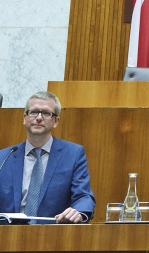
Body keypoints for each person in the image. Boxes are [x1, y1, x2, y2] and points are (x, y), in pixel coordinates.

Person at [0, 91, 96, 223]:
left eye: (46, 113)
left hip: (52, 236)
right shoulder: (4, 157)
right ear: (24, 118)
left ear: (56, 121)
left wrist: (78, 211)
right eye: (33, 112)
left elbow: (84, 196)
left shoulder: (73, 154)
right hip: (9, 236)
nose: (39, 118)